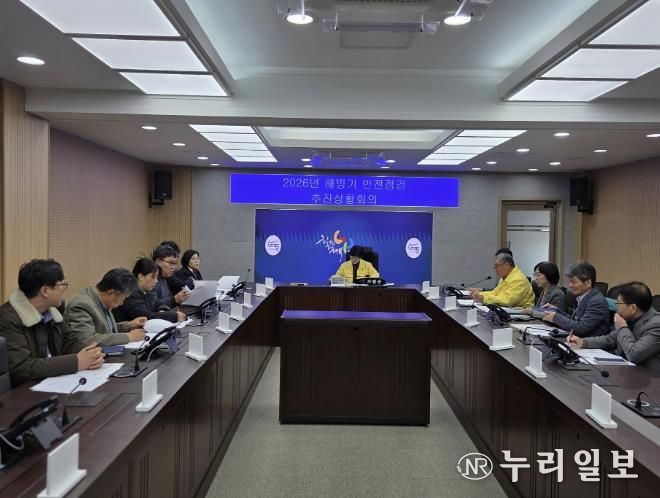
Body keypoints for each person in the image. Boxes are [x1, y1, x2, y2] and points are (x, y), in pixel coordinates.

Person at [0, 259, 104, 388]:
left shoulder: (51, 312)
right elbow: (22, 368)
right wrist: (77, 361)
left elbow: (68, 342)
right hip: (24, 392)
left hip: (52, 385)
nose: (64, 289)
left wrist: (92, 354)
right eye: (62, 284)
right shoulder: (7, 319)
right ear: (45, 291)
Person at [567, 282, 660, 370]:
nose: (616, 308)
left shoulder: (656, 325)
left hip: (647, 376)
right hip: (625, 370)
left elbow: (634, 355)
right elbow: (611, 339)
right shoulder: (631, 317)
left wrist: (623, 327)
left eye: (618, 303)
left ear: (632, 308)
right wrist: (583, 342)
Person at [65, 269, 146, 347]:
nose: (122, 303)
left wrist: (127, 325)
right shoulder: (82, 305)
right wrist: (127, 337)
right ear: (111, 292)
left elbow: (102, 330)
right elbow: (87, 340)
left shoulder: (101, 298)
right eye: (123, 298)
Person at [542, 261, 609, 337]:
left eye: (574, 282)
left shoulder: (597, 302)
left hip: (588, 342)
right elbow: (574, 321)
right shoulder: (583, 297)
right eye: (569, 282)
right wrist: (556, 311)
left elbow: (581, 328)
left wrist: (556, 317)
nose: (570, 285)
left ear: (588, 283)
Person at [113, 258, 184, 323]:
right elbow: (145, 317)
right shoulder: (131, 293)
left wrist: (162, 310)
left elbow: (157, 303)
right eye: (153, 277)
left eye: (157, 278)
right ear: (141, 276)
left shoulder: (146, 291)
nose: (156, 281)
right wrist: (174, 316)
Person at [152, 244, 189, 309]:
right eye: (170, 263)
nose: (173, 267)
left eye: (174, 263)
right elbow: (152, 304)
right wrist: (174, 300)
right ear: (158, 261)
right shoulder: (151, 279)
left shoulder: (164, 277)